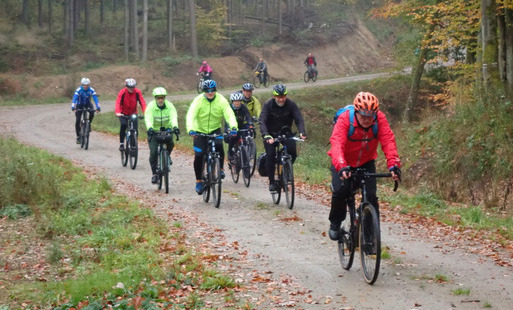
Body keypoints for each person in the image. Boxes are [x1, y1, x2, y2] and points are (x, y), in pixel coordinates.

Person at [327, 91, 401, 241]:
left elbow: (388, 141)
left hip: (366, 161)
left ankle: (370, 238)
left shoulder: (379, 119)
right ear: (356, 112)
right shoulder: (345, 119)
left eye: (370, 116)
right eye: (363, 116)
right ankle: (335, 223)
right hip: (344, 161)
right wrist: (341, 166)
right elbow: (337, 143)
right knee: (341, 190)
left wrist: (393, 165)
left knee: (371, 197)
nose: (367, 120)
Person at [186, 79, 238, 194]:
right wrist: (191, 129)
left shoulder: (221, 100)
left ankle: (220, 169)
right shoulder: (198, 101)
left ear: (215, 90)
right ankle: (199, 180)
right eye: (207, 90)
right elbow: (191, 115)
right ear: (203, 91)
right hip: (200, 131)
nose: (210, 93)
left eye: (212, 90)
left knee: (219, 145)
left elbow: (229, 114)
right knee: (199, 155)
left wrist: (233, 127)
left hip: (215, 129)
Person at [259, 84, 307, 192]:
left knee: (292, 152)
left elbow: (298, 119)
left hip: (286, 133)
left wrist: (302, 131)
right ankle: (272, 182)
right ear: (274, 96)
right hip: (270, 135)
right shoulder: (268, 105)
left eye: (283, 96)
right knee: (270, 155)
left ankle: (285, 169)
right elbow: (262, 121)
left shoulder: (291, 104)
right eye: (279, 97)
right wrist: (266, 134)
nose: (281, 99)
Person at [144, 87, 179, 184]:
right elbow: (148, 118)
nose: (160, 100)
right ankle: (154, 174)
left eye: (162, 98)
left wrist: (175, 127)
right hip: (154, 131)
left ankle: (167, 156)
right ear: (155, 98)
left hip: (166, 130)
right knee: (153, 152)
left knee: (171, 144)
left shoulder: (170, 106)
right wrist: (150, 128)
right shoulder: (151, 106)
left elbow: (173, 117)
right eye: (158, 98)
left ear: (165, 98)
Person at [115, 78, 147, 151]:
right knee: (124, 125)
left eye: (133, 87)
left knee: (135, 129)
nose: (131, 88)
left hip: (133, 113)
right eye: (129, 87)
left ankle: (134, 145)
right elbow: (118, 102)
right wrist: (118, 112)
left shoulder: (137, 92)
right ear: (126, 86)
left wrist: (145, 112)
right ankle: (122, 143)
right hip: (123, 113)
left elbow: (142, 102)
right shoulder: (122, 92)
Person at [71, 77, 101, 144]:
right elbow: (74, 99)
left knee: (92, 112)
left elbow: (95, 99)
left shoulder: (91, 90)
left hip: (88, 104)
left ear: (89, 85)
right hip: (79, 104)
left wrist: (98, 107)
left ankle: (88, 124)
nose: (86, 86)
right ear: (82, 85)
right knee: (78, 120)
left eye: (87, 85)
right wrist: (73, 107)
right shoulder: (78, 90)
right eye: (84, 85)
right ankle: (78, 136)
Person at [225, 92, 254, 162]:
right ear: (232, 101)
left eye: (238, 101)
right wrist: (228, 129)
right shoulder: (229, 108)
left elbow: (248, 116)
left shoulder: (243, 107)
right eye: (235, 101)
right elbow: (227, 119)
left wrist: (250, 124)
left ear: (241, 101)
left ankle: (245, 152)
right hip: (231, 126)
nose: (237, 103)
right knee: (232, 138)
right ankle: (230, 152)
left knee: (247, 135)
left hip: (241, 126)